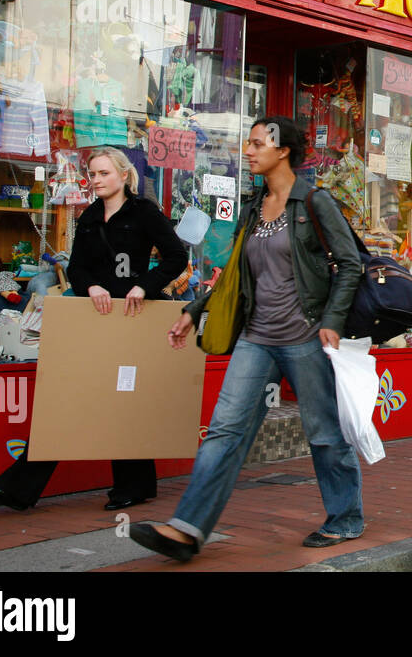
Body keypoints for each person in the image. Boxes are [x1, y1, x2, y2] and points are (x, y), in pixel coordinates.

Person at [129, 116, 364, 562]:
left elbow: (350, 264)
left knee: (323, 434)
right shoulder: (254, 207)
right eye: (249, 143)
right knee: (224, 431)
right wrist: (194, 311)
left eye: (257, 144)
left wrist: (332, 319)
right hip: (256, 337)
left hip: (305, 336)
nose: (249, 151)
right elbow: (234, 274)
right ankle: (187, 529)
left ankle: (346, 517)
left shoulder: (315, 202)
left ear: (284, 151)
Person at [0, 147, 188, 512]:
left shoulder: (144, 212)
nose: (97, 180)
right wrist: (91, 286)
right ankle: (20, 489)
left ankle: (133, 486)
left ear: (124, 175)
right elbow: (76, 268)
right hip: (95, 318)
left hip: (133, 319)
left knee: (124, 400)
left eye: (104, 173)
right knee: (70, 396)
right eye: (92, 174)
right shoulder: (89, 216)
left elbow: (176, 256)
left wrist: (145, 286)